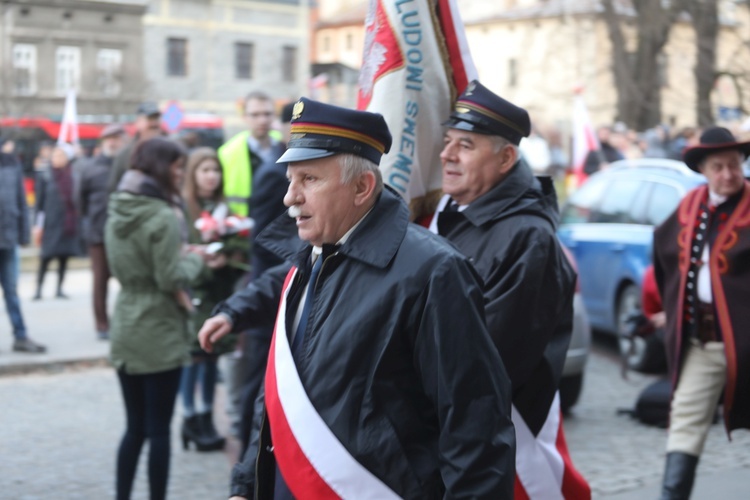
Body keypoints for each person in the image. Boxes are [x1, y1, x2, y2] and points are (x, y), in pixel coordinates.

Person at [199, 98, 516, 498]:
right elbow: (279, 394)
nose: (289, 197)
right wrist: (247, 483)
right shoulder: (309, 258)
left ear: (362, 187)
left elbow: (475, 426)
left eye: (309, 180)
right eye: (290, 180)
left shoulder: (433, 272)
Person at [431, 80, 591, 499]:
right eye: (448, 141)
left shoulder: (526, 238)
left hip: (493, 444)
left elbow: (489, 359)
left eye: (465, 145)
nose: (446, 154)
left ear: (505, 158)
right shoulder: (456, 213)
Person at [105, 138, 216, 500]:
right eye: (177, 168)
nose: (180, 175)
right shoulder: (162, 215)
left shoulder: (118, 208)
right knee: (158, 430)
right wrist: (200, 260)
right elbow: (169, 277)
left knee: (133, 428)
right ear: (161, 168)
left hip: (125, 321)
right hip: (159, 326)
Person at [653, 126, 750, 500]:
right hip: (703, 344)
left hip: (748, 345)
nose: (728, 174)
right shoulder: (689, 206)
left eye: (733, 165)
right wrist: (668, 310)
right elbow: (663, 256)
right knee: (684, 425)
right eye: (718, 167)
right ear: (705, 171)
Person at [217, 91, 290, 449]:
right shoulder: (234, 155)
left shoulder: (280, 154)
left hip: (267, 270)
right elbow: (265, 235)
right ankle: (247, 442)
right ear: (245, 116)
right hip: (254, 268)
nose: (263, 120)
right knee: (252, 364)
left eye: (267, 113)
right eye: (256, 114)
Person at [179, 147, 248, 452]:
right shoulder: (183, 209)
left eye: (215, 170)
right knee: (193, 357)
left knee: (210, 356)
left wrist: (229, 256)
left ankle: (207, 415)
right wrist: (199, 258)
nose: (211, 176)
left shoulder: (225, 209)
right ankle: (190, 417)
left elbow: (243, 248)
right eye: (205, 170)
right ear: (193, 175)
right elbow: (177, 252)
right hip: (193, 295)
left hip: (218, 291)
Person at [79, 124, 126, 339]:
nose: (113, 142)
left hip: (125, 235)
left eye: (116, 138)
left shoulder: (128, 167)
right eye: (109, 139)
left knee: (130, 279)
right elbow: (80, 202)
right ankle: (102, 324)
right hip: (99, 235)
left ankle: (125, 321)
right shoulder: (91, 168)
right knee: (100, 282)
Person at [0, 141, 46, 353]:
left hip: (8, 238)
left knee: (12, 292)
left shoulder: (11, 163)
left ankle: (20, 336)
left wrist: (24, 233)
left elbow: (20, 198)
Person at [33, 143, 83, 300]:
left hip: (67, 223)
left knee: (63, 257)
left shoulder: (73, 174)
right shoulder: (46, 175)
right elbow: (39, 203)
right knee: (45, 257)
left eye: (60, 155)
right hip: (50, 223)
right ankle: (39, 289)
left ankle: (59, 289)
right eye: (55, 155)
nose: (57, 158)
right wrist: (37, 224)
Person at [108, 102, 163, 193]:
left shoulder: (169, 151)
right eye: (149, 119)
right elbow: (113, 190)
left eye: (156, 119)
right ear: (138, 122)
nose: (154, 123)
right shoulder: (124, 155)